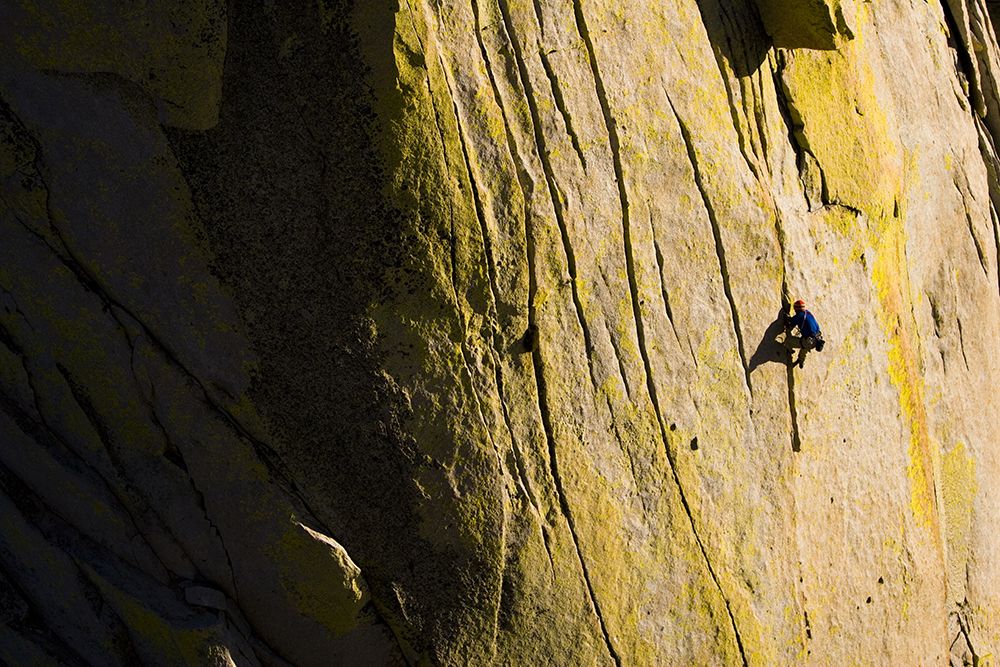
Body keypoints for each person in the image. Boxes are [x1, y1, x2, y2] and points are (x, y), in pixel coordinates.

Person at [784, 300, 824, 368]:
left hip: (808, 341)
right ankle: (801, 361)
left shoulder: (800, 315)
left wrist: (786, 318)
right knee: (805, 348)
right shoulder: (808, 313)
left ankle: (789, 351)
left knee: (788, 341)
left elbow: (790, 322)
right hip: (817, 339)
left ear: (797, 309)